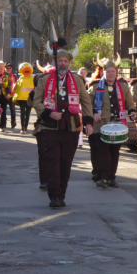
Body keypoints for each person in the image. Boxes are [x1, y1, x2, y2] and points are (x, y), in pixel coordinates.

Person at [33, 43, 93, 208]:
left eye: (66, 61)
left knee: (66, 163)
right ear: (55, 62)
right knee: (53, 163)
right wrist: (49, 113)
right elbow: (36, 102)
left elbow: (86, 101)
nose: (63, 64)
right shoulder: (44, 80)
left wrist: (88, 123)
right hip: (50, 127)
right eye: (60, 60)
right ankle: (54, 197)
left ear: (69, 63)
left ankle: (61, 194)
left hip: (71, 127)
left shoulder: (77, 80)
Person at [88, 54, 137, 188]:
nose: (110, 74)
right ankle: (103, 177)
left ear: (116, 72)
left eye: (113, 71)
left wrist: (132, 111)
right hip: (101, 125)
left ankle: (111, 177)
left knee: (115, 152)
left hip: (118, 125)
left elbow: (129, 102)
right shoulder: (95, 86)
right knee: (104, 152)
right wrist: (93, 113)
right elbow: (87, 103)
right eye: (108, 71)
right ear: (104, 72)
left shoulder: (123, 86)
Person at [0, 61, 16, 132]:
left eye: (2, 66)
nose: (1, 68)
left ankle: (2, 126)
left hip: (4, 94)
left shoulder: (7, 75)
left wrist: (9, 93)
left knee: (3, 110)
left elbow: (9, 85)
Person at [13, 63, 35, 134]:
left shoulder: (33, 78)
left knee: (28, 113)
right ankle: (22, 127)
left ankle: (26, 127)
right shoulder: (20, 78)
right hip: (22, 98)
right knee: (22, 112)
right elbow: (17, 87)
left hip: (30, 98)